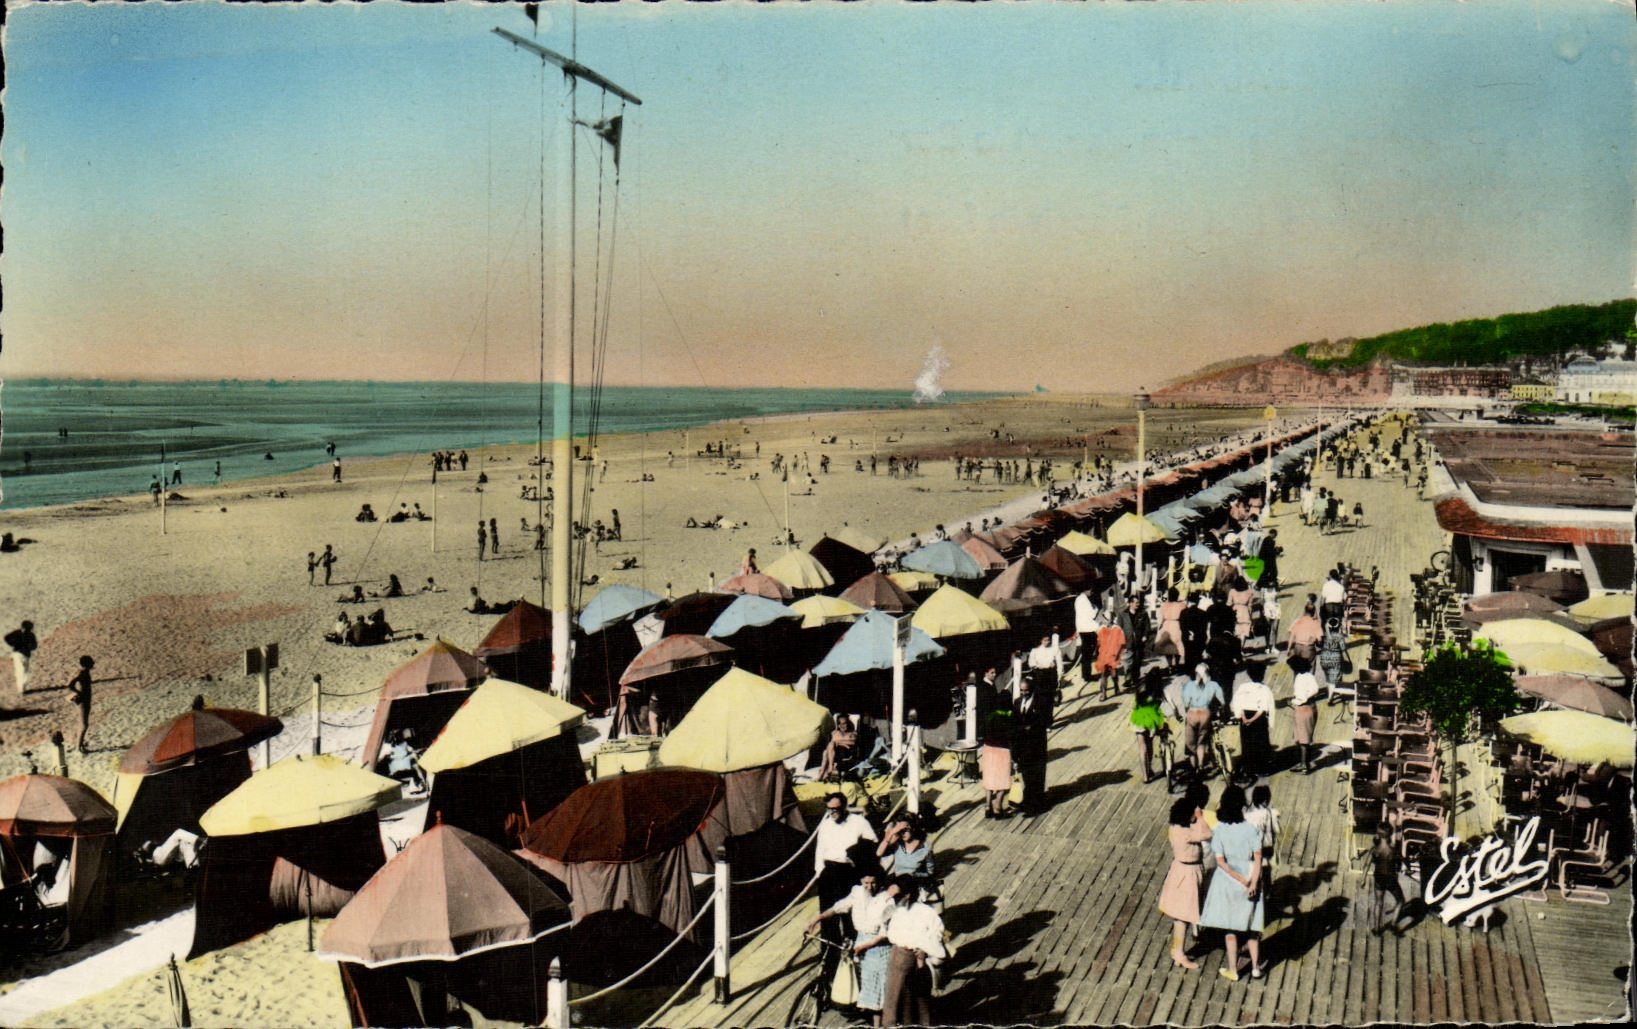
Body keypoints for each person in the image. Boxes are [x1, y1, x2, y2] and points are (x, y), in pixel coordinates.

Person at [807, 870, 894, 1023]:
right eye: (866, 883)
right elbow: (839, 906)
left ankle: (877, 1025)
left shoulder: (886, 899)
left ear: (879, 882)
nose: (869, 887)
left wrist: (866, 946)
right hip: (861, 941)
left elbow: (885, 933)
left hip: (877, 947)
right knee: (859, 980)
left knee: (876, 988)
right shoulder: (857, 892)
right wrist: (819, 918)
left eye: (873, 883)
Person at [1198, 785, 1265, 981]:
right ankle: (1255, 967)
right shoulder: (1251, 829)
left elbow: (1221, 862)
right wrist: (1252, 883)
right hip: (1251, 876)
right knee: (1253, 927)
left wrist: (1240, 880)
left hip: (1228, 882)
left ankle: (1233, 969)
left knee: (1230, 928)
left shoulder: (1219, 830)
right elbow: (1258, 858)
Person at [880, 876, 946, 1027]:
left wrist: (924, 949)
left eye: (897, 896)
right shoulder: (896, 911)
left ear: (908, 895)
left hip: (918, 957)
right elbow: (889, 932)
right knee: (896, 997)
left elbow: (938, 931)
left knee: (918, 998)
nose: (894, 899)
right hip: (899, 954)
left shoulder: (926, 912)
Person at [1158, 794, 1213, 969]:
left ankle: (1177, 949)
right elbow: (1207, 833)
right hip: (1189, 873)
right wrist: (1200, 816)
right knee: (1183, 916)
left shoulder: (1175, 828)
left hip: (1180, 871)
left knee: (1181, 915)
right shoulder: (1188, 833)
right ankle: (1179, 952)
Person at [1011, 672, 1053, 815]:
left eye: (1026, 691)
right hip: (1023, 745)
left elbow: (1044, 721)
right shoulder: (1017, 702)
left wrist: (1030, 727)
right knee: (1027, 774)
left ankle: (1037, 804)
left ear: (1032, 689)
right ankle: (1028, 799)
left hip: (1036, 745)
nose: (1024, 693)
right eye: (1021, 691)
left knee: (1037, 774)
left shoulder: (1041, 702)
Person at [1230, 666, 1275, 783]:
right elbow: (1265, 708)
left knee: (1247, 744)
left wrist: (1244, 718)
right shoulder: (1265, 689)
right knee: (1261, 743)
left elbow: (1237, 703)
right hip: (1258, 720)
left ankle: (1249, 768)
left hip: (1245, 717)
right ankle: (1262, 768)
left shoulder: (1243, 687)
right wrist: (1268, 722)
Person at [1181, 663, 1225, 772]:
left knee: (1190, 743)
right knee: (1202, 741)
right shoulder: (1213, 685)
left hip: (1193, 713)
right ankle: (1200, 765)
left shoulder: (1189, 685)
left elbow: (1186, 704)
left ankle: (1193, 767)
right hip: (1205, 713)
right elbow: (1223, 701)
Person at [877, 819, 937, 898]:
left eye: (905, 830)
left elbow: (930, 872)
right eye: (900, 831)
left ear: (913, 828)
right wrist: (891, 833)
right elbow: (879, 853)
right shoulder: (898, 846)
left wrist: (914, 874)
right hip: (898, 881)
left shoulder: (925, 848)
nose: (903, 833)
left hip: (915, 883)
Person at [980, 684, 1014, 819]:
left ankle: (987, 806)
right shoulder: (1009, 717)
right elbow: (1011, 735)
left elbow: (983, 732)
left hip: (988, 750)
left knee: (989, 779)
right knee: (1002, 781)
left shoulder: (990, 716)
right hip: (1002, 751)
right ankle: (998, 808)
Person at [1245, 784, 1280, 911]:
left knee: (1255, 872)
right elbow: (1277, 830)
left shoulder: (1248, 816)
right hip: (1266, 848)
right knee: (1266, 872)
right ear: (1266, 801)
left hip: (1253, 850)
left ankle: (1257, 898)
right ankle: (1268, 896)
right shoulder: (1271, 813)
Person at [1130, 675, 1169, 784]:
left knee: (1142, 747)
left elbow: (1134, 707)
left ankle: (1145, 776)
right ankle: (1149, 767)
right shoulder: (1154, 695)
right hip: (1150, 721)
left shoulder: (1139, 693)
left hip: (1138, 720)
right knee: (1149, 745)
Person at [1288, 655, 1323, 774]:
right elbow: (1310, 691)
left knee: (1303, 740)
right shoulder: (1304, 676)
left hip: (1304, 709)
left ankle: (1304, 765)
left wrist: (1297, 700)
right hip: (1306, 708)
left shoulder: (1303, 677)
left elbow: (1308, 694)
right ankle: (1302, 762)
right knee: (1301, 738)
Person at [1370, 826, 1406, 934]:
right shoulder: (1393, 850)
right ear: (1390, 835)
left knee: (1378, 903)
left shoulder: (1375, 850)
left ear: (1378, 835)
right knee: (1400, 901)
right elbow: (1400, 863)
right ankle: (1393, 924)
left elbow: (1371, 862)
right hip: (1391, 879)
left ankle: (1376, 928)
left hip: (1379, 878)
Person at [1094, 616, 1126, 701]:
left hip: (1113, 655)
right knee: (1103, 674)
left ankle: (1116, 686)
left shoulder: (1117, 629)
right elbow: (1098, 643)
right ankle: (1103, 693)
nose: (1108, 621)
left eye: (1109, 619)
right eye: (1106, 619)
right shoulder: (1100, 629)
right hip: (1103, 655)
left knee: (1113, 673)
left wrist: (1118, 655)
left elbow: (1122, 643)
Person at [820, 713, 860, 780]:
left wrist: (839, 743)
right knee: (826, 751)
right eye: (843, 724)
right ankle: (825, 773)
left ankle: (826, 772)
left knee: (828, 750)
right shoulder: (834, 733)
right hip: (836, 753)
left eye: (846, 723)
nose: (845, 725)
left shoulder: (852, 733)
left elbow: (852, 742)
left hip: (847, 752)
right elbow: (831, 743)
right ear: (838, 725)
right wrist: (840, 743)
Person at [68, 655, 95, 752]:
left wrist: (78, 692)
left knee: (83, 724)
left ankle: (80, 744)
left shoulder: (84, 673)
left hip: (85, 700)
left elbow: (71, 685)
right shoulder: (83, 674)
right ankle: (79, 746)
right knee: (84, 725)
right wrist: (79, 693)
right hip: (84, 701)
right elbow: (71, 685)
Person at [6, 620, 39, 692]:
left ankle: (21, 688)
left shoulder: (17, 633)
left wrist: (13, 644)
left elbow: (7, 638)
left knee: (20, 670)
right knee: (25, 670)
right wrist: (29, 647)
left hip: (17, 653)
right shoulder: (30, 635)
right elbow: (34, 646)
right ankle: (23, 687)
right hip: (26, 654)